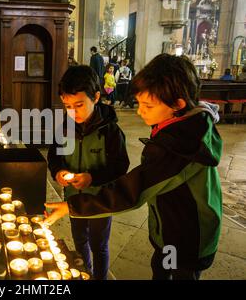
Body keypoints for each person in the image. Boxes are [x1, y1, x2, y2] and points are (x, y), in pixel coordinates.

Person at [45, 54, 223, 280]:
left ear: (177, 104)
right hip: (168, 233)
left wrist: (73, 205)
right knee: (161, 269)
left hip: (186, 239)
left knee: (176, 272)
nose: (140, 111)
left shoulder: (182, 146)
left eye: (147, 105)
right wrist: (59, 172)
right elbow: (56, 155)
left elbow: (133, 189)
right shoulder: (176, 127)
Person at [47, 65, 129, 280]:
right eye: (67, 106)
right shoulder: (64, 128)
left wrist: (92, 178)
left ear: (96, 97)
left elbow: (121, 167)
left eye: (79, 105)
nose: (73, 112)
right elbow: (54, 157)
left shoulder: (110, 131)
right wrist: (58, 172)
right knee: (80, 241)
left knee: (99, 245)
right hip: (73, 199)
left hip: (101, 201)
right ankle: (86, 274)